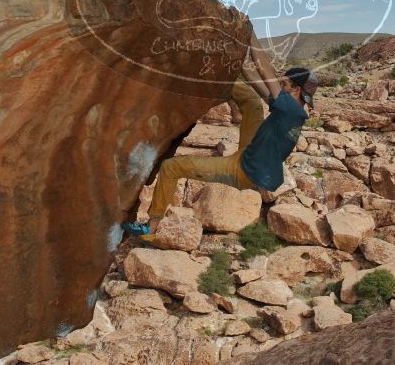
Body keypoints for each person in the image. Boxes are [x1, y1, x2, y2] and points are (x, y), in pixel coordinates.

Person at [123, 30, 318, 239]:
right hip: (251, 155)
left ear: (296, 90)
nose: (281, 86)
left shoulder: (289, 108)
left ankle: (151, 228)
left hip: (242, 171)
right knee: (252, 103)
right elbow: (257, 84)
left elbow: (264, 69)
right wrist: (235, 64)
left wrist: (249, 34)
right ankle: (218, 80)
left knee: (171, 167)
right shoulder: (294, 111)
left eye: (285, 84)